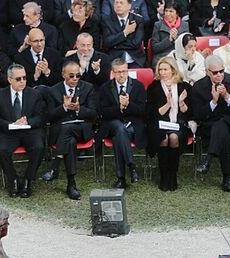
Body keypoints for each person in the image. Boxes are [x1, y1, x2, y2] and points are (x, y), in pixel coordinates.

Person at [41, 60, 97, 200]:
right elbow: (48, 116)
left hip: (81, 129)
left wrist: (79, 109)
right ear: (63, 75)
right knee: (69, 141)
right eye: (71, 76)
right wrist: (64, 108)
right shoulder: (53, 90)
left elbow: (93, 113)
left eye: (78, 76)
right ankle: (71, 184)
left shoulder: (88, 88)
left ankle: (55, 166)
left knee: (67, 129)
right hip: (62, 134)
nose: (75, 79)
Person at [0, 63, 45, 198]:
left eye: (24, 78)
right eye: (18, 79)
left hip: (29, 131)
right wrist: (11, 124)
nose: (22, 81)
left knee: (39, 147)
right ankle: (13, 179)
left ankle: (28, 180)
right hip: (9, 132)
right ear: (9, 80)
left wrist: (27, 121)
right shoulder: (0, 95)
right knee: (1, 150)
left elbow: (40, 117)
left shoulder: (34, 94)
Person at [193, 54, 230, 192]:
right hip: (209, 126)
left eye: (221, 71)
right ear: (207, 72)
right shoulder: (199, 86)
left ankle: (208, 160)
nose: (219, 75)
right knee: (223, 133)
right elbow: (198, 115)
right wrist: (213, 102)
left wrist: (227, 96)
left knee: (223, 125)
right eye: (215, 72)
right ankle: (227, 178)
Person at [97, 58, 147, 189]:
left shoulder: (138, 86)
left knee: (119, 135)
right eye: (118, 72)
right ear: (113, 72)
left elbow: (142, 111)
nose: (122, 75)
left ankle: (121, 178)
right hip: (111, 124)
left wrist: (128, 105)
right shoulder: (105, 88)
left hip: (132, 126)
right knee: (118, 128)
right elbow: (102, 112)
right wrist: (119, 108)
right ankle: (131, 166)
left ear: (128, 71)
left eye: (124, 71)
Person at [147, 56, 191, 192]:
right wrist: (167, 104)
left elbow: (189, 113)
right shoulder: (153, 87)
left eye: (165, 69)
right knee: (163, 138)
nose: (162, 73)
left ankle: (173, 175)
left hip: (178, 124)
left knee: (173, 137)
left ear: (173, 70)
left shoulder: (184, 87)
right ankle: (164, 176)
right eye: (160, 70)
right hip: (158, 124)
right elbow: (151, 113)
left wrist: (181, 102)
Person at [102, 0, 146, 69]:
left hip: (135, 60)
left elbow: (136, 43)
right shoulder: (107, 20)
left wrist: (115, 44)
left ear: (129, 6)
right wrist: (125, 33)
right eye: (116, 3)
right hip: (114, 61)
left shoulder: (138, 20)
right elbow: (107, 42)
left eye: (121, 3)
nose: (118, 5)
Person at [150, 0, 188, 67]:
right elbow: (155, 48)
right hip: (163, 58)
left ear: (177, 13)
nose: (168, 14)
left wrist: (176, 39)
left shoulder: (185, 25)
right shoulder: (158, 25)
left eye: (171, 11)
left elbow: (187, 46)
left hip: (179, 57)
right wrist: (169, 40)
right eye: (166, 11)